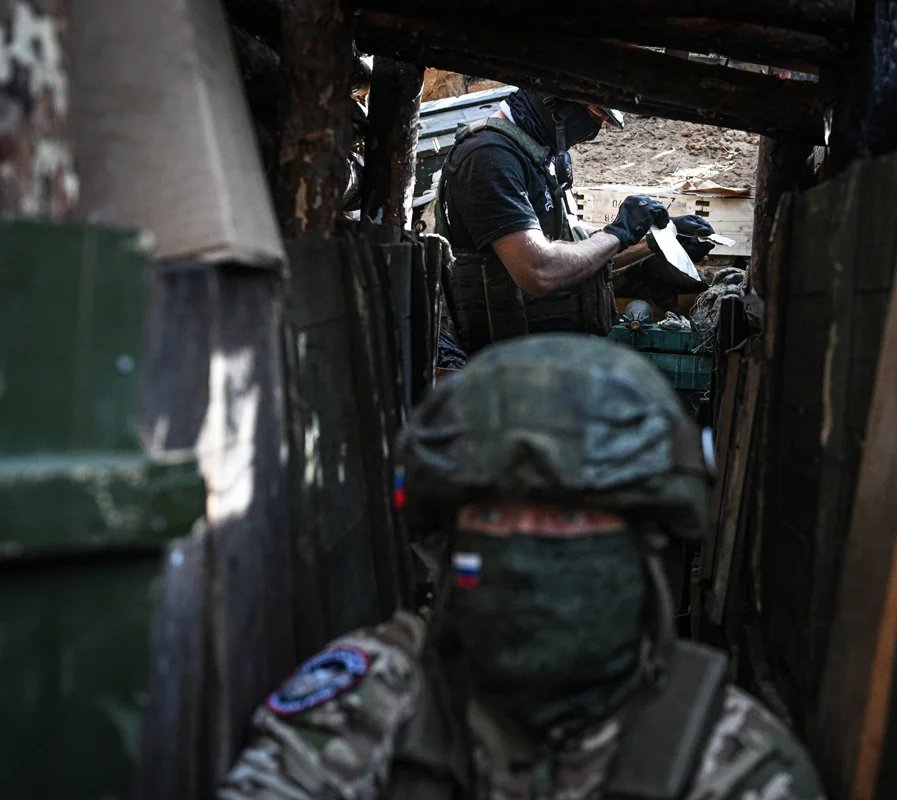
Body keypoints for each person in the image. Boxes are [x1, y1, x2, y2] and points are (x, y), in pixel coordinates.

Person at [218, 334, 825, 800]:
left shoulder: (731, 759)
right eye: (494, 519)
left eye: (568, 520)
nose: (527, 550)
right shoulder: (371, 700)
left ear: (646, 545)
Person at [437, 88, 712, 354]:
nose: (593, 132)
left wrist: (656, 238)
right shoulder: (488, 156)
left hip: (537, 355)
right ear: (552, 101)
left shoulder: (531, 156)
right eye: (593, 113)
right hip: (505, 366)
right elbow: (538, 270)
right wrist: (619, 232)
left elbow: (577, 252)